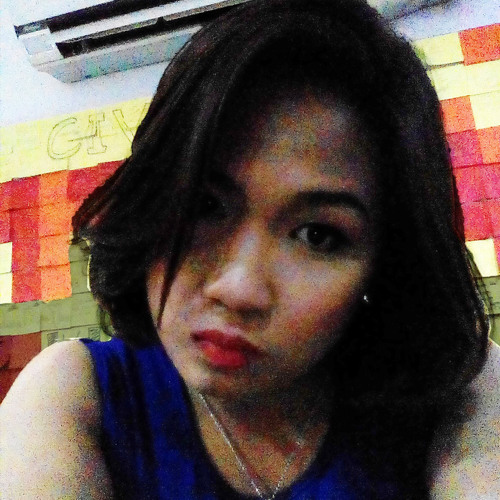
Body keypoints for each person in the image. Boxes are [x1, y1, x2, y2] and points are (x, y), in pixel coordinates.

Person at [1, 0, 499, 498]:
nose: (238, 290)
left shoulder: (457, 390)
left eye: (319, 235)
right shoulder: (75, 390)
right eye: (205, 205)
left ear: (382, 265)